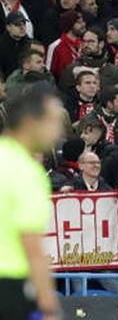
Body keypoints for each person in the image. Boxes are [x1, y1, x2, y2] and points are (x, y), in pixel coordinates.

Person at [0, 84, 63, 320]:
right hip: (9, 283)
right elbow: (32, 246)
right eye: (53, 122)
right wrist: (49, 307)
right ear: (30, 122)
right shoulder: (27, 172)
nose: (57, 132)